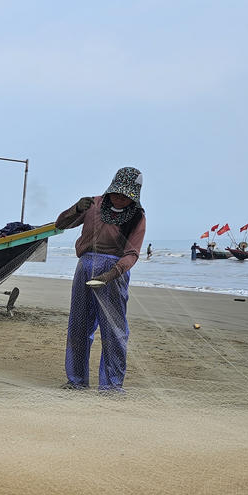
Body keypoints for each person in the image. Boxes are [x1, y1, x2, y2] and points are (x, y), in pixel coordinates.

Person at [54, 166, 146, 392]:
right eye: (116, 192)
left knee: (113, 329)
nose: (119, 197)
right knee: (78, 325)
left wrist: (113, 273)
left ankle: (111, 385)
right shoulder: (93, 204)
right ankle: (76, 380)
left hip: (114, 272)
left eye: (125, 195)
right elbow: (61, 224)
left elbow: (132, 253)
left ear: (133, 194)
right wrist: (76, 209)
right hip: (85, 266)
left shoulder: (136, 216)